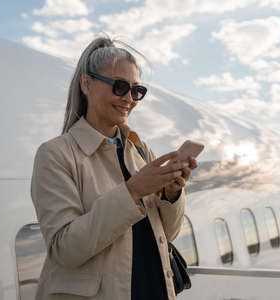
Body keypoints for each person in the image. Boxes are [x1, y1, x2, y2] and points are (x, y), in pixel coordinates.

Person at [30, 35, 198, 300]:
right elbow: (65, 249)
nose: (129, 99)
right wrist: (132, 191)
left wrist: (171, 194)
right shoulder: (55, 155)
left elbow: (169, 233)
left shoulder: (141, 151)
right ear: (87, 84)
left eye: (136, 91)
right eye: (119, 87)